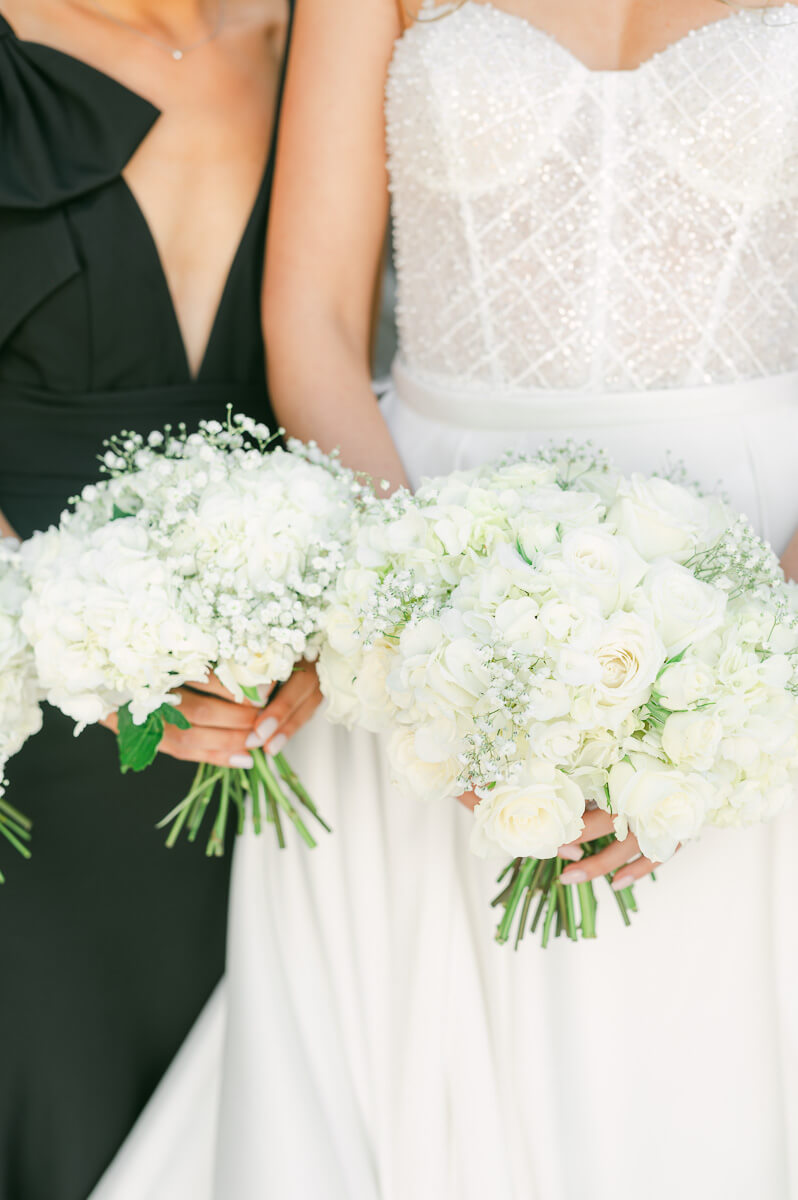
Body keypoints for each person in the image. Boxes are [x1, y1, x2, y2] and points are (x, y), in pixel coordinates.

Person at [84, 2, 798, 1198]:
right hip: (417, 541)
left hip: (760, 559)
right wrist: (421, 628)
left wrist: (762, 658)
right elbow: (309, 318)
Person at [0, 3, 321, 1198]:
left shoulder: (327, 40)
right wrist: (79, 642)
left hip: (274, 723)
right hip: (25, 728)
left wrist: (343, 619)